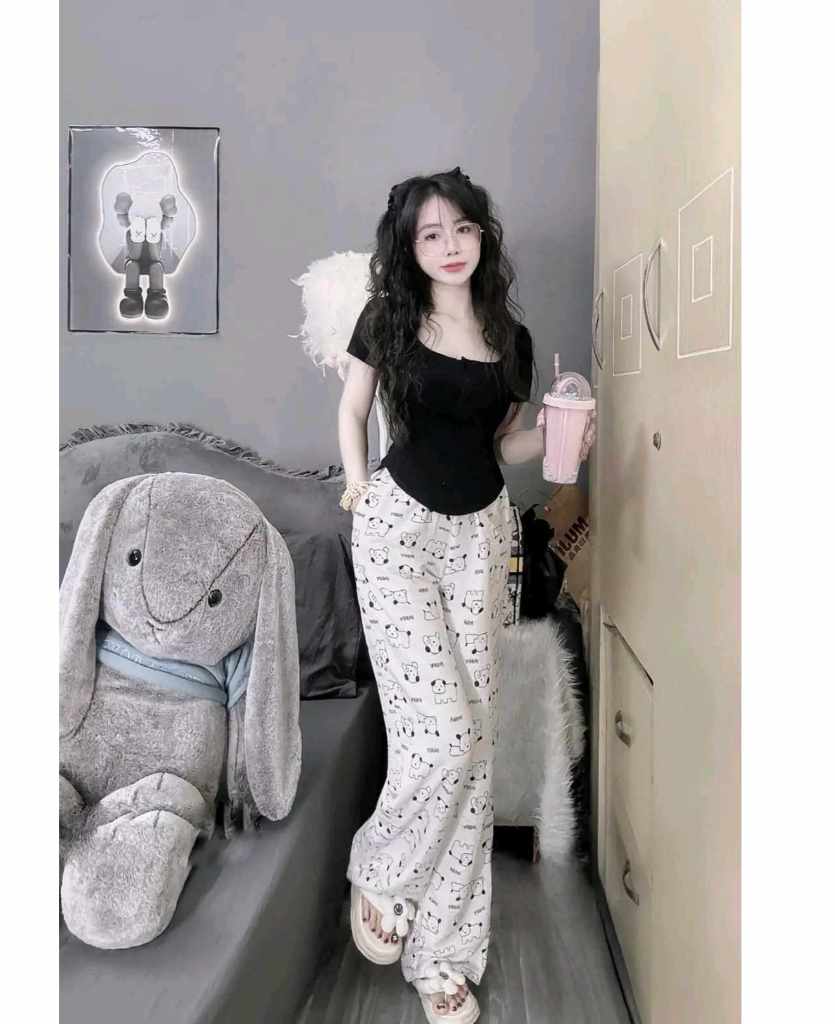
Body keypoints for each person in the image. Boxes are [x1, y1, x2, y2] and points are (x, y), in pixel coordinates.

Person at [336, 166, 545, 1023]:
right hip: (398, 531)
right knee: (444, 735)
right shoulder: (388, 318)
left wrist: (562, 432)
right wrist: (357, 486)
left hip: (483, 536)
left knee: (476, 747)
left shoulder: (511, 338)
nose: (450, 245)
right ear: (410, 246)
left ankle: (443, 958)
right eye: (431, 233)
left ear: (482, 236)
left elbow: (505, 447)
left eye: (462, 228)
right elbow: (353, 410)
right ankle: (382, 871)